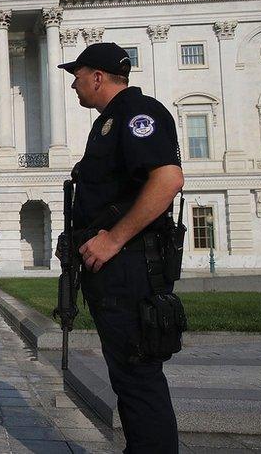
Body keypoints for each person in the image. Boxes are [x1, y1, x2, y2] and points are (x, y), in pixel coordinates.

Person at [59, 42, 184, 452]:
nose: (74, 85)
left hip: (130, 267)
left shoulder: (136, 114)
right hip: (117, 270)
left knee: (137, 376)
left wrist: (113, 239)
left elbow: (167, 181)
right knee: (128, 377)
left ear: (97, 76)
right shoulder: (110, 120)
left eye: (77, 76)